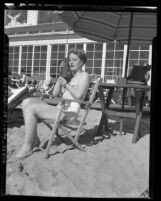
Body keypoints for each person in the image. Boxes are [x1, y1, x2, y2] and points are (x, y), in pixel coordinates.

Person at [15, 48, 89, 159]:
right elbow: (54, 94)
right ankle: (34, 139)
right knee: (26, 102)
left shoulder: (84, 75)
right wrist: (60, 80)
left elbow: (79, 96)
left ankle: (28, 146)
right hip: (60, 109)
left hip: (69, 113)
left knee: (31, 108)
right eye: (70, 60)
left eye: (74, 60)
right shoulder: (70, 76)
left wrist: (66, 85)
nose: (71, 62)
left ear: (82, 62)